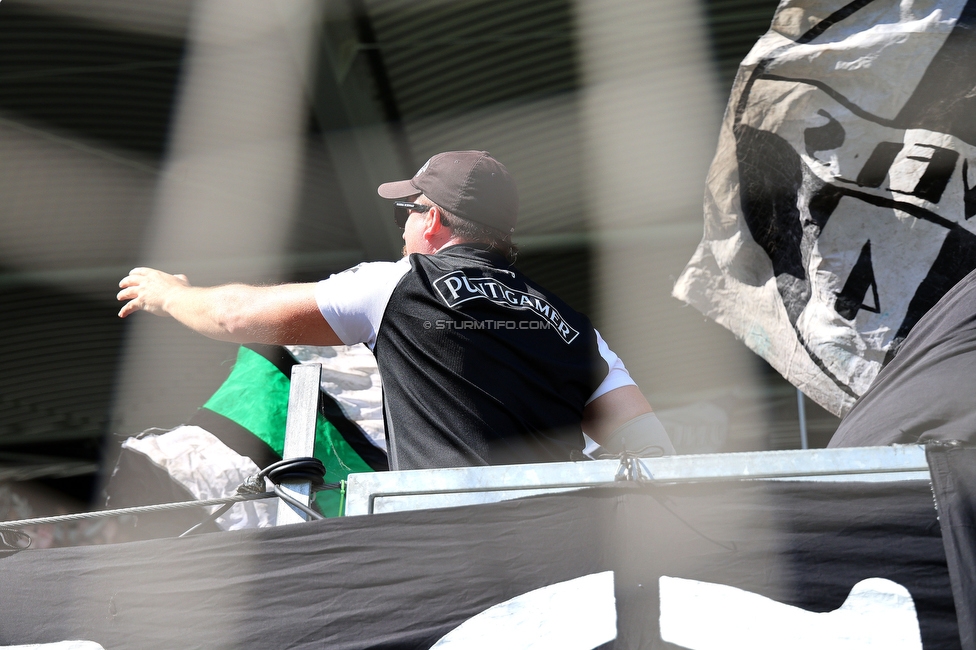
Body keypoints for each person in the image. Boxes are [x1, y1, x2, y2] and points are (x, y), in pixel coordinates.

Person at [118, 150, 673, 469]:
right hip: (556, 550)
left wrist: (170, 295)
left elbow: (237, 315)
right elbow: (650, 447)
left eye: (407, 210)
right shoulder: (578, 329)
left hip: (442, 546)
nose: (403, 224)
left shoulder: (397, 286)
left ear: (432, 221)